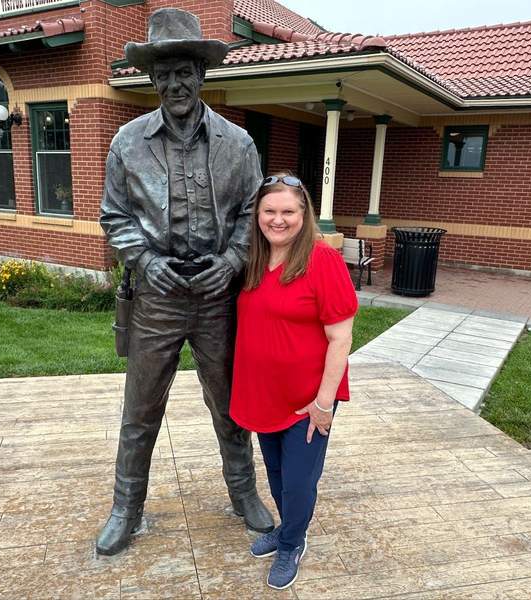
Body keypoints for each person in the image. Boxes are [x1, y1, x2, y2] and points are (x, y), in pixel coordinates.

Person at [96, 8, 274, 556]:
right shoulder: (127, 143)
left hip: (219, 297)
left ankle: (243, 490)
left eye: (184, 72)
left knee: (229, 404)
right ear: (152, 79)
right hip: (156, 297)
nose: (175, 83)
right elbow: (114, 217)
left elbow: (252, 210)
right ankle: (127, 506)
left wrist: (234, 257)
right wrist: (146, 263)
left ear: (202, 74)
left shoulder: (238, 144)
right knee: (141, 409)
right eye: (164, 73)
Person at [230, 173, 358, 589]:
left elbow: (341, 336)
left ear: (304, 215)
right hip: (264, 392)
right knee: (278, 474)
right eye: (270, 210)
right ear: (258, 214)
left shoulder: (323, 260)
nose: (278, 219)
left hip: (308, 398)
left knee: (300, 480)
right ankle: (288, 529)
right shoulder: (253, 258)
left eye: (288, 211)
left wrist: (324, 402)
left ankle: (291, 543)